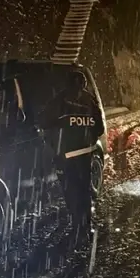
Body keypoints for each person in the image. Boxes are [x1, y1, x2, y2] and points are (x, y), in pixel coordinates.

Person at [40, 70, 104, 243]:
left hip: (66, 155)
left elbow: (43, 121)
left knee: (71, 191)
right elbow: (100, 129)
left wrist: (59, 133)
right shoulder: (89, 100)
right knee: (84, 190)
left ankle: (77, 227)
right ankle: (86, 227)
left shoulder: (59, 100)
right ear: (83, 84)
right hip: (85, 154)